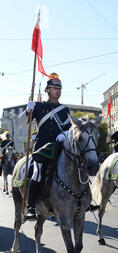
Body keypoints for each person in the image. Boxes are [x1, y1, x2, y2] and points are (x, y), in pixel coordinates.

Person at [23, 73, 72, 218]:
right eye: (55, 88)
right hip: (41, 148)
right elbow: (22, 123)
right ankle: (31, 206)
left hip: (58, 147)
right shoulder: (38, 106)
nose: (58, 90)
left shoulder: (65, 110)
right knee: (37, 171)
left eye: (59, 88)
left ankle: (82, 202)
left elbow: (69, 129)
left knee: (76, 166)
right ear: (47, 90)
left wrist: (63, 135)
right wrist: (28, 110)